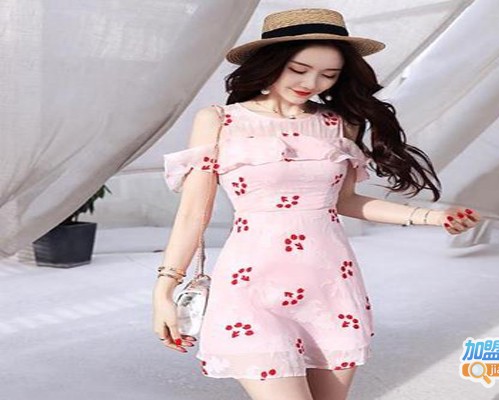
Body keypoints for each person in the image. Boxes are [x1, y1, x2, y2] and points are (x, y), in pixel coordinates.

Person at [152, 7, 482, 400]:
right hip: (251, 288)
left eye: (329, 75)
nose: (312, 83)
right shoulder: (220, 120)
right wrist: (164, 290)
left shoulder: (339, 123)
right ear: (271, 63)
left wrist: (434, 217)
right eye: (299, 69)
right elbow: (194, 213)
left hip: (330, 287)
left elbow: (346, 202)